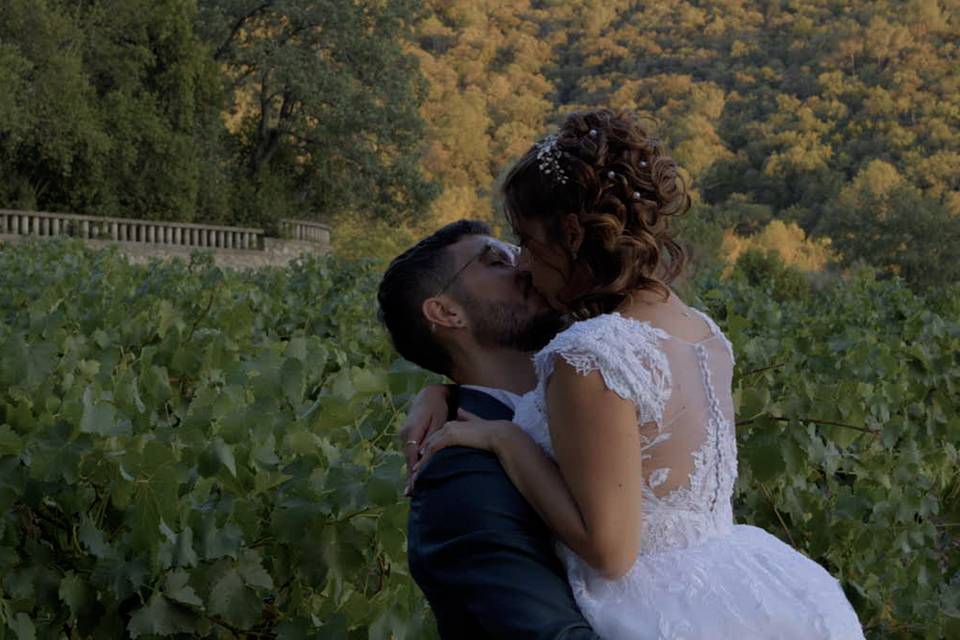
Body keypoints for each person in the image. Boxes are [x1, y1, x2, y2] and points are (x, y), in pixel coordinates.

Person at [407, 109, 867, 639]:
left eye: (528, 243)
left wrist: (507, 439)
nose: (525, 266)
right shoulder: (701, 332)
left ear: (573, 233)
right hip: (742, 583)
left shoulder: (590, 353)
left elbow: (610, 552)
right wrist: (445, 389)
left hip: (658, 603)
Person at [376, 219, 599, 639]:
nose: (526, 265)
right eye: (497, 261)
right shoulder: (460, 476)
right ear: (446, 312)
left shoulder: (592, 403)